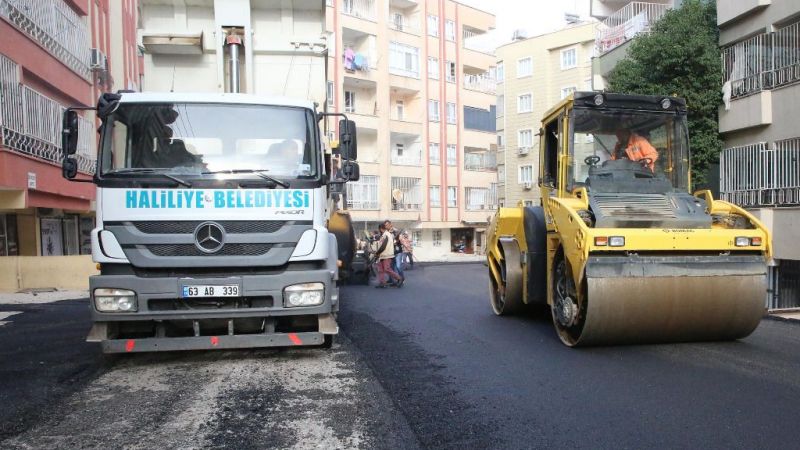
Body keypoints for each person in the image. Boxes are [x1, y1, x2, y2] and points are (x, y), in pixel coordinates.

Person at [375, 223, 403, 288]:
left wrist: (377, 253)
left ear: (380, 229)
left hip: (386, 255)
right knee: (380, 269)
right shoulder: (384, 235)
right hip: (382, 255)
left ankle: (399, 278)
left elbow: (383, 246)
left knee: (387, 269)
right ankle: (382, 283)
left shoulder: (386, 235)